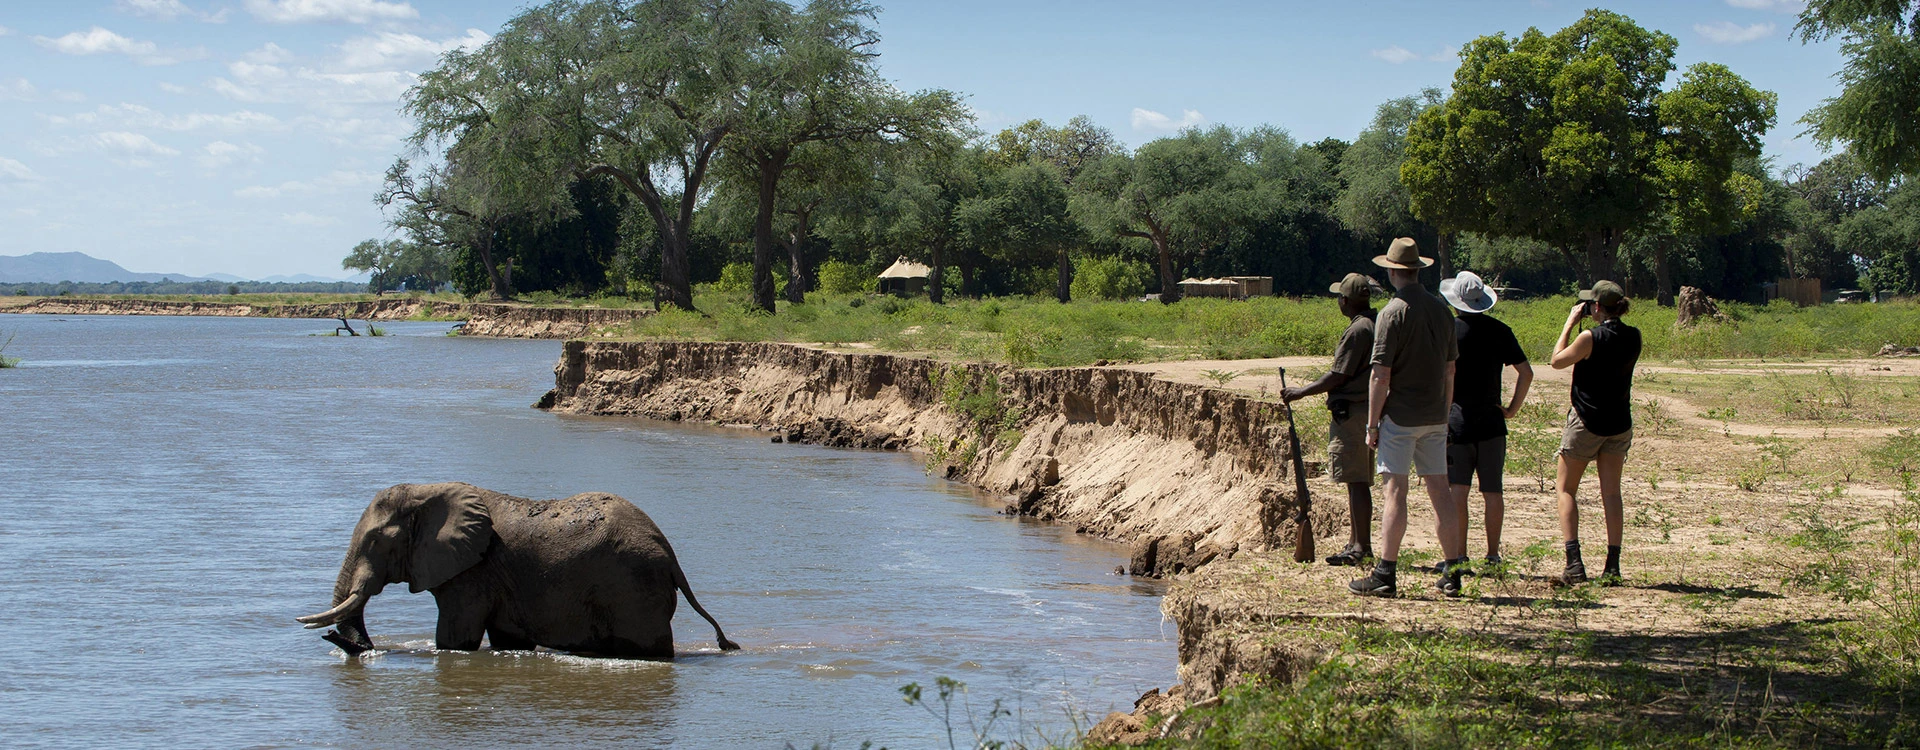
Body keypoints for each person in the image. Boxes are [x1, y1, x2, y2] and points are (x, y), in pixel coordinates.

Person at [1349, 237, 1464, 598]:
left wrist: (1372, 424)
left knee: (1395, 491)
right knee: (1440, 491)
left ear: (1392, 270)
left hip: (1401, 417)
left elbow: (1380, 375)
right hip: (1434, 415)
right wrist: (1443, 414)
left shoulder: (1392, 312)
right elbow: (1450, 370)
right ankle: (1454, 570)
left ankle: (1386, 572)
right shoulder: (1442, 311)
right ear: (1417, 269)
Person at [1282, 272, 1383, 567]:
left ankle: (1360, 546)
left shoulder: (1358, 330)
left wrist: (1300, 392)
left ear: (1346, 300)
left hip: (1353, 412)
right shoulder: (1375, 324)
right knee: (1359, 480)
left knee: (1356, 481)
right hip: (1367, 409)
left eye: (1340, 297)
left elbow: (1339, 375)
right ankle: (1356, 542)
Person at [1548, 280, 1642, 586]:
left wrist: (1570, 323)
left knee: (1565, 489)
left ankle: (1574, 562)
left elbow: (1557, 361)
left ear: (1597, 307)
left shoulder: (1590, 337)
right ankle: (1612, 565)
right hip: (1618, 423)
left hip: (1587, 421)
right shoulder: (1633, 336)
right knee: (1611, 493)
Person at [1438, 271, 1532, 569]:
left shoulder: (1449, 332)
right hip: (1492, 421)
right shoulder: (1500, 330)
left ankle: (1460, 554)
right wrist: (1512, 408)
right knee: (1493, 491)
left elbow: (1445, 375)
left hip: (1458, 421)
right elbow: (1526, 372)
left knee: (1458, 491)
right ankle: (1493, 555)